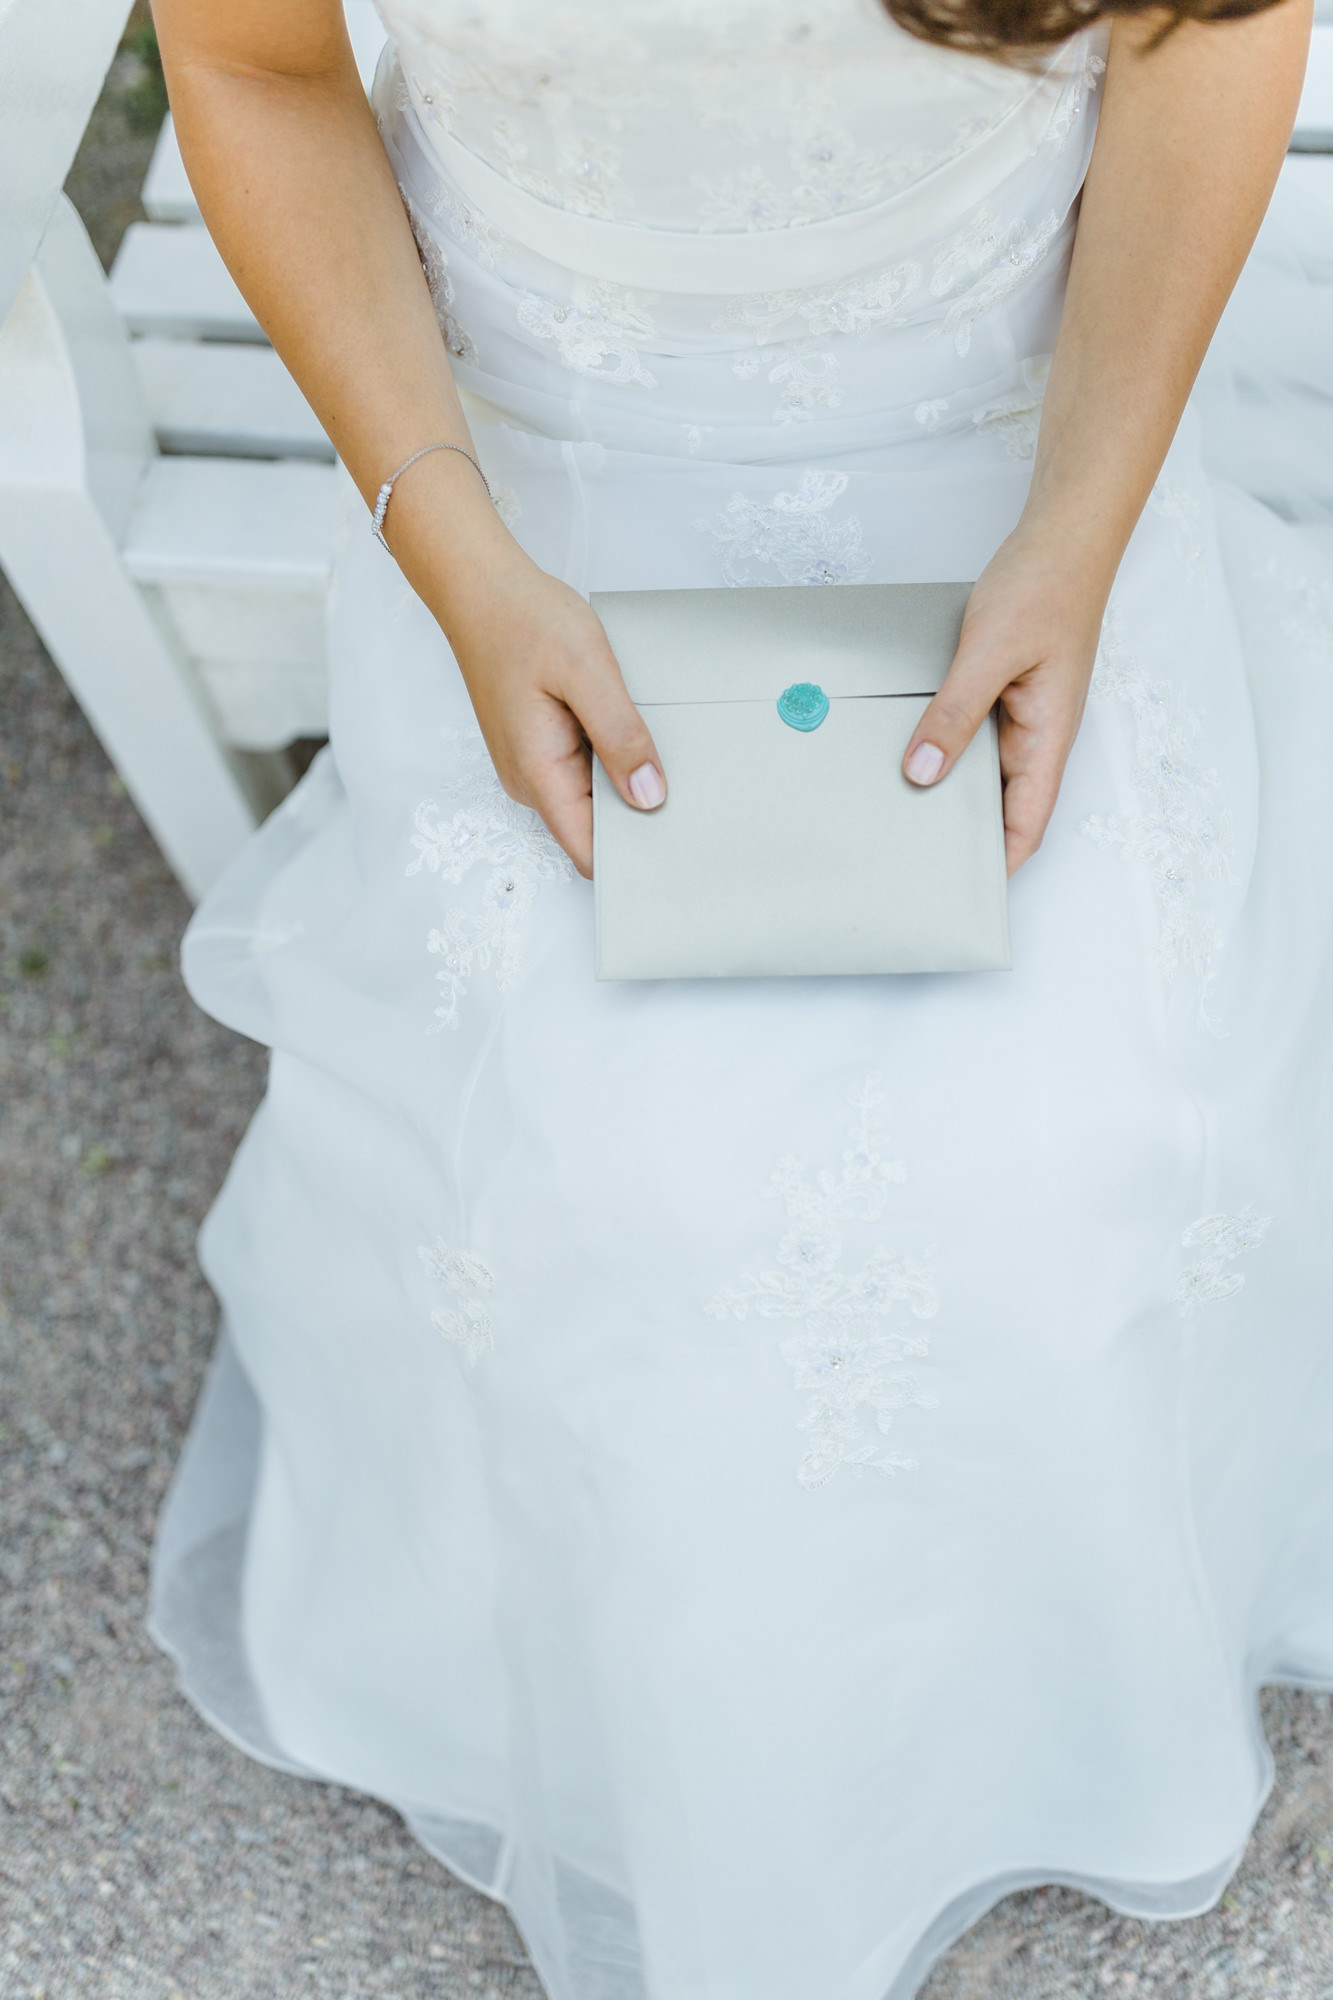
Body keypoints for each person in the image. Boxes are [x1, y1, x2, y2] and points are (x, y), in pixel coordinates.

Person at [145, 0, 1333, 1993]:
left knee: (1070, 1144)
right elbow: (253, 68)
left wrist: (1079, 532)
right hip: (524, 482)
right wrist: (456, 553)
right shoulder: (484, 527)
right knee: (622, 1185)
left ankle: (1055, 1660)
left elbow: (1213, 33)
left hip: (1026, 430)